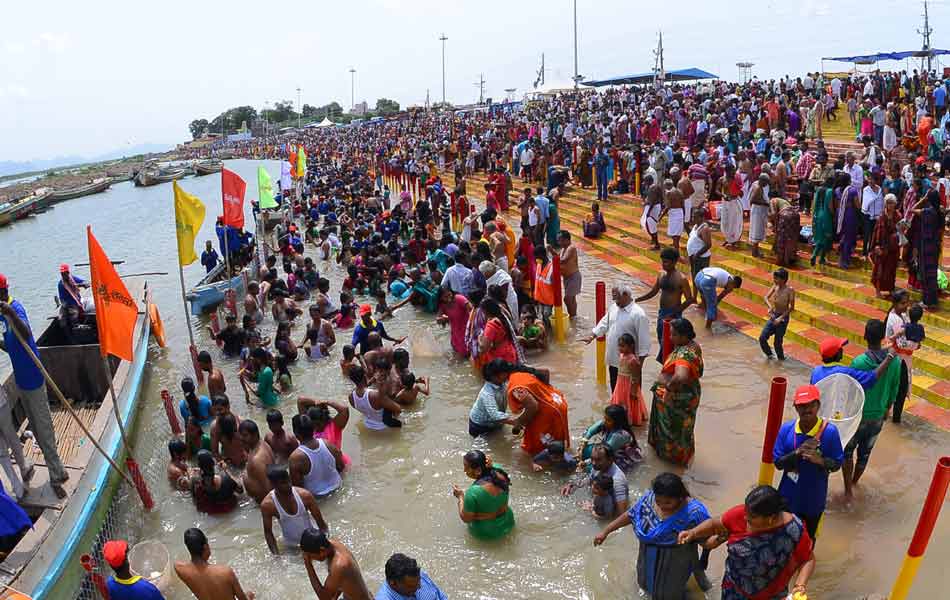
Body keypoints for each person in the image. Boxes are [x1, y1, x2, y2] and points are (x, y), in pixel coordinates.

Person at [0, 273, 68, 498]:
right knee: (38, 429)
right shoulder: (4, 316)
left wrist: (9, 313)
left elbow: (27, 333)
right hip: (21, 382)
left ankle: (57, 474)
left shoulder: (14, 309)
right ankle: (56, 469)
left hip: (33, 380)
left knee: (44, 428)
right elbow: (13, 346)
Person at [594, 473, 712, 600]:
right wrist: (606, 531)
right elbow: (631, 515)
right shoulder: (649, 500)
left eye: (668, 502)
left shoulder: (694, 514)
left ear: (680, 497)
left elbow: (708, 538)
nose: (662, 506)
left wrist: (710, 548)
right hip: (645, 564)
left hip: (673, 572)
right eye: (659, 501)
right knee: (644, 590)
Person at [772, 385, 844, 543]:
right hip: (787, 496)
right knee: (782, 538)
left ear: (818, 405)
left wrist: (821, 461)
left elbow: (838, 463)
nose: (806, 409)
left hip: (814, 498)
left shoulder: (830, 432)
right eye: (802, 406)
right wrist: (796, 453)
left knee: (808, 540)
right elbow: (777, 463)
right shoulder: (786, 429)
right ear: (796, 408)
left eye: (810, 405)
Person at [842, 320, 901, 500]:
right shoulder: (896, 362)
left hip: (856, 417)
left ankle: (848, 490)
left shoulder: (859, 362)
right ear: (883, 337)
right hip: (877, 417)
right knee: (864, 454)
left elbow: (850, 391)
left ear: (865, 336)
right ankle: (854, 482)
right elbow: (894, 388)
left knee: (847, 453)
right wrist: (887, 409)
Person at [649, 318, 703, 466]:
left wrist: (667, 389)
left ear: (684, 336)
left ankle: (670, 461)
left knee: (673, 431)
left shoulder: (683, 354)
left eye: (673, 335)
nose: (670, 338)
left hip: (676, 399)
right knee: (685, 429)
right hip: (690, 394)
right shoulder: (694, 346)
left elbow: (681, 376)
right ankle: (684, 456)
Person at [585, 283, 652, 390]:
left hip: (629, 366)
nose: (615, 302)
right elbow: (604, 323)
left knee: (631, 398)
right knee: (615, 393)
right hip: (614, 361)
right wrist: (592, 335)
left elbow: (644, 345)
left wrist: (637, 372)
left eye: (617, 298)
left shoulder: (639, 315)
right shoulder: (614, 308)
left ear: (625, 295)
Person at [636, 248, 694, 359]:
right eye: (662, 261)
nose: (663, 264)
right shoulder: (661, 274)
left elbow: (690, 299)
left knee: (669, 341)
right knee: (660, 337)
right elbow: (654, 291)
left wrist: (675, 313)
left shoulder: (682, 279)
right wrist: (638, 299)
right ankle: (666, 361)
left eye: (666, 262)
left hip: (674, 315)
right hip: (662, 313)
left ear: (674, 262)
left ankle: (665, 362)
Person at [174, 528, 254, 600]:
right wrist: (249, 596)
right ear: (205, 546)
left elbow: (178, 563)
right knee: (250, 594)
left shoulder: (179, 568)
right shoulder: (225, 572)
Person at [506, 363, 569, 455]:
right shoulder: (527, 372)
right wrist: (543, 391)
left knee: (536, 447)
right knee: (557, 441)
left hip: (549, 411)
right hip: (558, 402)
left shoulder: (515, 384)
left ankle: (539, 462)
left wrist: (518, 422)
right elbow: (546, 371)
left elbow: (532, 406)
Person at [261, 465, 327, 553]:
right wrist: (276, 557)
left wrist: (327, 542)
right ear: (273, 485)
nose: (289, 485)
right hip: (291, 546)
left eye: (289, 480)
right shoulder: (268, 505)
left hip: (313, 540)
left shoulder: (305, 496)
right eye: (283, 483)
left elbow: (321, 523)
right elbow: (268, 533)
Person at [451, 449, 515, 540]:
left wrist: (460, 497)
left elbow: (466, 519)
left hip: (487, 533)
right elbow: (493, 465)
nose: (464, 470)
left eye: (466, 467)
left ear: (478, 471)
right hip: (508, 521)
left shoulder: (473, 492)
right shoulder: (499, 471)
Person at [468, 359, 538, 437]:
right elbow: (494, 415)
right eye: (504, 373)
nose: (507, 374)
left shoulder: (502, 383)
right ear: (494, 376)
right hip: (480, 426)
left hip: (495, 422)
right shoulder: (486, 393)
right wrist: (516, 421)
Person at [300, 529, 372, 600]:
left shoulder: (339, 565)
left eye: (310, 556)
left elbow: (324, 598)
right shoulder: (332, 544)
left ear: (322, 550)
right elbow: (341, 582)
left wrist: (308, 564)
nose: (311, 558)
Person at [289, 414, 344, 497]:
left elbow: (297, 488)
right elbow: (341, 467)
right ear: (313, 429)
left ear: (296, 434)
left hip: (318, 497)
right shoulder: (328, 444)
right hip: (338, 487)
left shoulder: (295, 458)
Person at [580, 404, 642, 471]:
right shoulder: (607, 423)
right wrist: (584, 443)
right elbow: (590, 431)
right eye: (605, 418)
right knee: (583, 451)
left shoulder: (620, 435)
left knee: (592, 469)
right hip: (608, 451)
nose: (605, 421)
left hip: (621, 459)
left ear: (617, 422)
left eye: (608, 420)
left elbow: (604, 453)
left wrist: (586, 463)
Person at [348, 365, 403, 430]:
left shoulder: (351, 397)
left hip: (367, 425)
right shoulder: (375, 395)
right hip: (384, 429)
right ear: (364, 376)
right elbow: (398, 409)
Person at [190, 449, 243, 514]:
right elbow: (240, 490)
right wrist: (227, 471)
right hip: (228, 511)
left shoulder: (194, 480)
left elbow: (195, 501)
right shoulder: (226, 479)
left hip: (208, 512)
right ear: (212, 463)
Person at [611, 333, 647, 426]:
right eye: (619, 346)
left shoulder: (632, 360)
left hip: (628, 384)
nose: (620, 348)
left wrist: (634, 390)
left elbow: (636, 376)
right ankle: (619, 418)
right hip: (620, 383)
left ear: (631, 346)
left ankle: (630, 420)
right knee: (620, 400)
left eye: (622, 346)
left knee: (629, 401)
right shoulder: (622, 355)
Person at [375, 553, 447, 600]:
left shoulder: (415, 574)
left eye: (419, 580)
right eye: (411, 586)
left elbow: (439, 595)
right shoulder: (384, 598)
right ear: (393, 583)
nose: (419, 586)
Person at [759, 268, 795, 360]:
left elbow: (791, 308)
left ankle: (781, 361)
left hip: (783, 319)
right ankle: (770, 356)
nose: (774, 280)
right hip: (773, 315)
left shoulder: (790, 290)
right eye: (774, 278)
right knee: (762, 338)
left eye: (776, 278)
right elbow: (766, 297)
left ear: (783, 279)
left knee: (777, 343)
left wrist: (780, 318)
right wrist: (770, 306)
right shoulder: (775, 286)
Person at [870, 194, 901, 297]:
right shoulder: (882, 216)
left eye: (892, 203)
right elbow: (877, 231)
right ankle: (878, 291)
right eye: (888, 203)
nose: (890, 205)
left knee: (891, 270)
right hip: (882, 248)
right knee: (879, 270)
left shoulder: (898, 216)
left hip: (893, 248)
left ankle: (891, 290)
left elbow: (901, 231)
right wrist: (876, 245)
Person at [240, 420, 275, 503]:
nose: (241, 438)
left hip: (261, 501)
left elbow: (268, 489)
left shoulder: (257, 460)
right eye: (240, 435)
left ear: (255, 435)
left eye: (245, 435)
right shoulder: (263, 443)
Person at [436, 287, 472, 357]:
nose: (449, 298)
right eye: (445, 297)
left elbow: (472, 310)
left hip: (467, 331)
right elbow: (438, 319)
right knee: (458, 357)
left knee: (467, 354)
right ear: (441, 298)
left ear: (451, 292)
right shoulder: (443, 305)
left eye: (449, 295)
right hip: (456, 335)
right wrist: (442, 319)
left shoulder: (459, 298)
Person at [810, 176, 835, 266]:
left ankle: (815, 255)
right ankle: (821, 257)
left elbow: (814, 204)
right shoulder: (830, 191)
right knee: (827, 238)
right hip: (826, 216)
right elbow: (830, 206)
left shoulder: (818, 190)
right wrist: (834, 215)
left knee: (819, 238)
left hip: (817, 215)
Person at [557, 230, 581, 319]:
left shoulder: (571, 248)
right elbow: (558, 259)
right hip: (567, 278)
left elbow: (563, 260)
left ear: (567, 240)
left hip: (573, 276)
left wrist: (551, 251)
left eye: (561, 240)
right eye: (558, 240)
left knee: (567, 299)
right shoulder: (563, 249)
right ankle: (574, 316)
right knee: (571, 299)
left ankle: (573, 316)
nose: (559, 242)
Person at [685, 208, 712, 280]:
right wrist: (685, 226)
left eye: (695, 217)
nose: (693, 218)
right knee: (694, 276)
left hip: (701, 258)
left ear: (702, 218)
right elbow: (693, 236)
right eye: (693, 216)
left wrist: (697, 254)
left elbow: (708, 245)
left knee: (699, 278)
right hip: (694, 256)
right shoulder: (695, 226)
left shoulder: (704, 229)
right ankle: (694, 291)